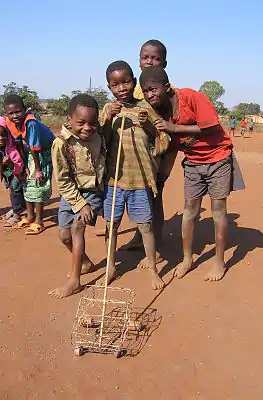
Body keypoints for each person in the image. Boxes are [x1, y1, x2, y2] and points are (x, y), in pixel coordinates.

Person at [139, 66, 245, 282]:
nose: (150, 95)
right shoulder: (158, 112)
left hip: (218, 159)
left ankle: (219, 262)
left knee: (218, 210)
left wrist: (175, 128)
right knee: (189, 211)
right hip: (193, 164)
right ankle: (187, 258)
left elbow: (213, 127)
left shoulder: (191, 98)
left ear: (167, 87)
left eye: (153, 89)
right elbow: (167, 145)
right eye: (145, 91)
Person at [101, 60, 167, 290]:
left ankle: (153, 268)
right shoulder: (108, 109)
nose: (122, 88)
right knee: (112, 225)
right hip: (114, 180)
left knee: (145, 226)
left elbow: (162, 139)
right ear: (109, 87)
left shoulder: (145, 108)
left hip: (139, 180)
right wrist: (108, 119)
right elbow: (102, 142)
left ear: (134, 81)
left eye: (126, 82)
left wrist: (148, 125)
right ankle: (111, 267)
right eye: (115, 84)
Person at [122, 39, 177, 265]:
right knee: (142, 196)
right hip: (139, 153)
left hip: (159, 152)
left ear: (164, 62)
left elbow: (172, 132)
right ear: (139, 60)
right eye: (145, 57)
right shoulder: (135, 87)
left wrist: (166, 166)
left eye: (155, 58)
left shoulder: (163, 88)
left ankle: (155, 243)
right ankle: (141, 235)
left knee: (155, 195)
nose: (150, 61)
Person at [49, 94, 106, 299]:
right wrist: (80, 204)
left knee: (77, 227)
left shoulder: (99, 135)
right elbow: (63, 181)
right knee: (64, 236)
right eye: (81, 123)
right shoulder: (61, 144)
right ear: (69, 120)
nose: (87, 128)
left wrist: (86, 204)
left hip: (93, 190)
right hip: (71, 193)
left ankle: (75, 281)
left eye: (92, 123)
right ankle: (86, 263)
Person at [4, 95, 54, 235]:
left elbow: (35, 147)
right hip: (29, 152)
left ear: (25, 110)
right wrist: (25, 165)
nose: (15, 116)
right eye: (11, 113)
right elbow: (19, 142)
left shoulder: (30, 123)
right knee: (26, 181)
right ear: (6, 114)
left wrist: (38, 169)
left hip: (43, 151)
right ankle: (30, 216)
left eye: (18, 111)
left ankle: (39, 220)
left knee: (38, 183)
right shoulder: (10, 122)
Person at [0, 117, 26, 227]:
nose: (1, 138)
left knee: (16, 192)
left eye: (3, 135)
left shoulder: (12, 148)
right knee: (14, 192)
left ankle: (17, 214)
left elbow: (19, 162)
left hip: (17, 172)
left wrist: (10, 163)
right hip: (8, 174)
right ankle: (17, 209)